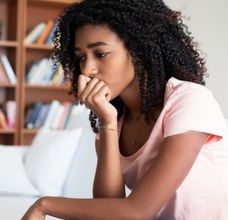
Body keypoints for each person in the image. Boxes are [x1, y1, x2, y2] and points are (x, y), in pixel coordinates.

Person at [22, 0, 228, 219]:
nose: (87, 69)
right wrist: (107, 124)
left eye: (100, 54)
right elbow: (109, 210)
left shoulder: (189, 101)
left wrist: (43, 205)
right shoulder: (110, 118)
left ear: (138, 50)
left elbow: (137, 212)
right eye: (81, 57)